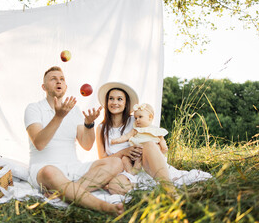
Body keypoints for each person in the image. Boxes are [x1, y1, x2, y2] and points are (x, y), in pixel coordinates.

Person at [24, 66, 124, 215]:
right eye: (53, 79)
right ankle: (104, 207)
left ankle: (66, 192)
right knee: (50, 172)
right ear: (44, 87)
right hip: (45, 169)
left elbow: (86, 144)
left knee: (116, 162)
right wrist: (59, 116)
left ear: (65, 86)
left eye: (62, 79)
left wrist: (89, 124)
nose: (59, 81)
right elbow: (39, 143)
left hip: (74, 168)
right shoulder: (33, 108)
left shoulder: (75, 110)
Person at [96, 82, 174, 195]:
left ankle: (169, 190)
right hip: (124, 169)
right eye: (111, 98)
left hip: (143, 163)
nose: (115, 102)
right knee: (115, 187)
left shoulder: (135, 120)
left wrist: (160, 144)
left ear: (126, 102)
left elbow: (151, 133)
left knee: (149, 144)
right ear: (107, 102)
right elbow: (102, 159)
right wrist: (123, 152)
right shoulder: (101, 128)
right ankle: (146, 189)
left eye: (119, 99)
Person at [111, 103, 168, 174]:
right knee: (124, 159)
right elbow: (126, 136)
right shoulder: (136, 129)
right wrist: (116, 140)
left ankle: (136, 170)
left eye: (140, 117)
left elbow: (162, 140)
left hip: (147, 153)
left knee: (140, 159)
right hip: (135, 152)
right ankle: (130, 172)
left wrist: (164, 147)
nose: (137, 120)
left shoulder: (156, 130)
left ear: (150, 117)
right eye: (135, 118)